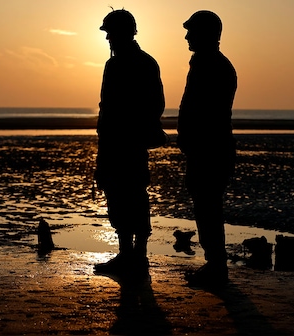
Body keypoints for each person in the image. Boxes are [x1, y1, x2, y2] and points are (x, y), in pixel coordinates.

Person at [94, 9, 165, 276]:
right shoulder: (130, 63)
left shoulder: (138, 64)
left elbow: (154, 105)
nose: (108, 38)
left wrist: (131, 130)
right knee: (121, 196)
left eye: (111, 33)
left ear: (125, 33)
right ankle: (130, 255)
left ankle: (136, 256)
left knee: (132, 196)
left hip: (128, 144)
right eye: (108, 33)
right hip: (116, 143)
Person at [177, 10, 237, 286]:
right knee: (206, 206)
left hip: (209, 150)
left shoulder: (210, 65)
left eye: (192, 31)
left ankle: (216, 266)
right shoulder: (209, 63)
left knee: (208, 207)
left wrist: (191, 138)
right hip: (207, 148)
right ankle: (214, 264)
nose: (187, 36)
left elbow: (205, 111)